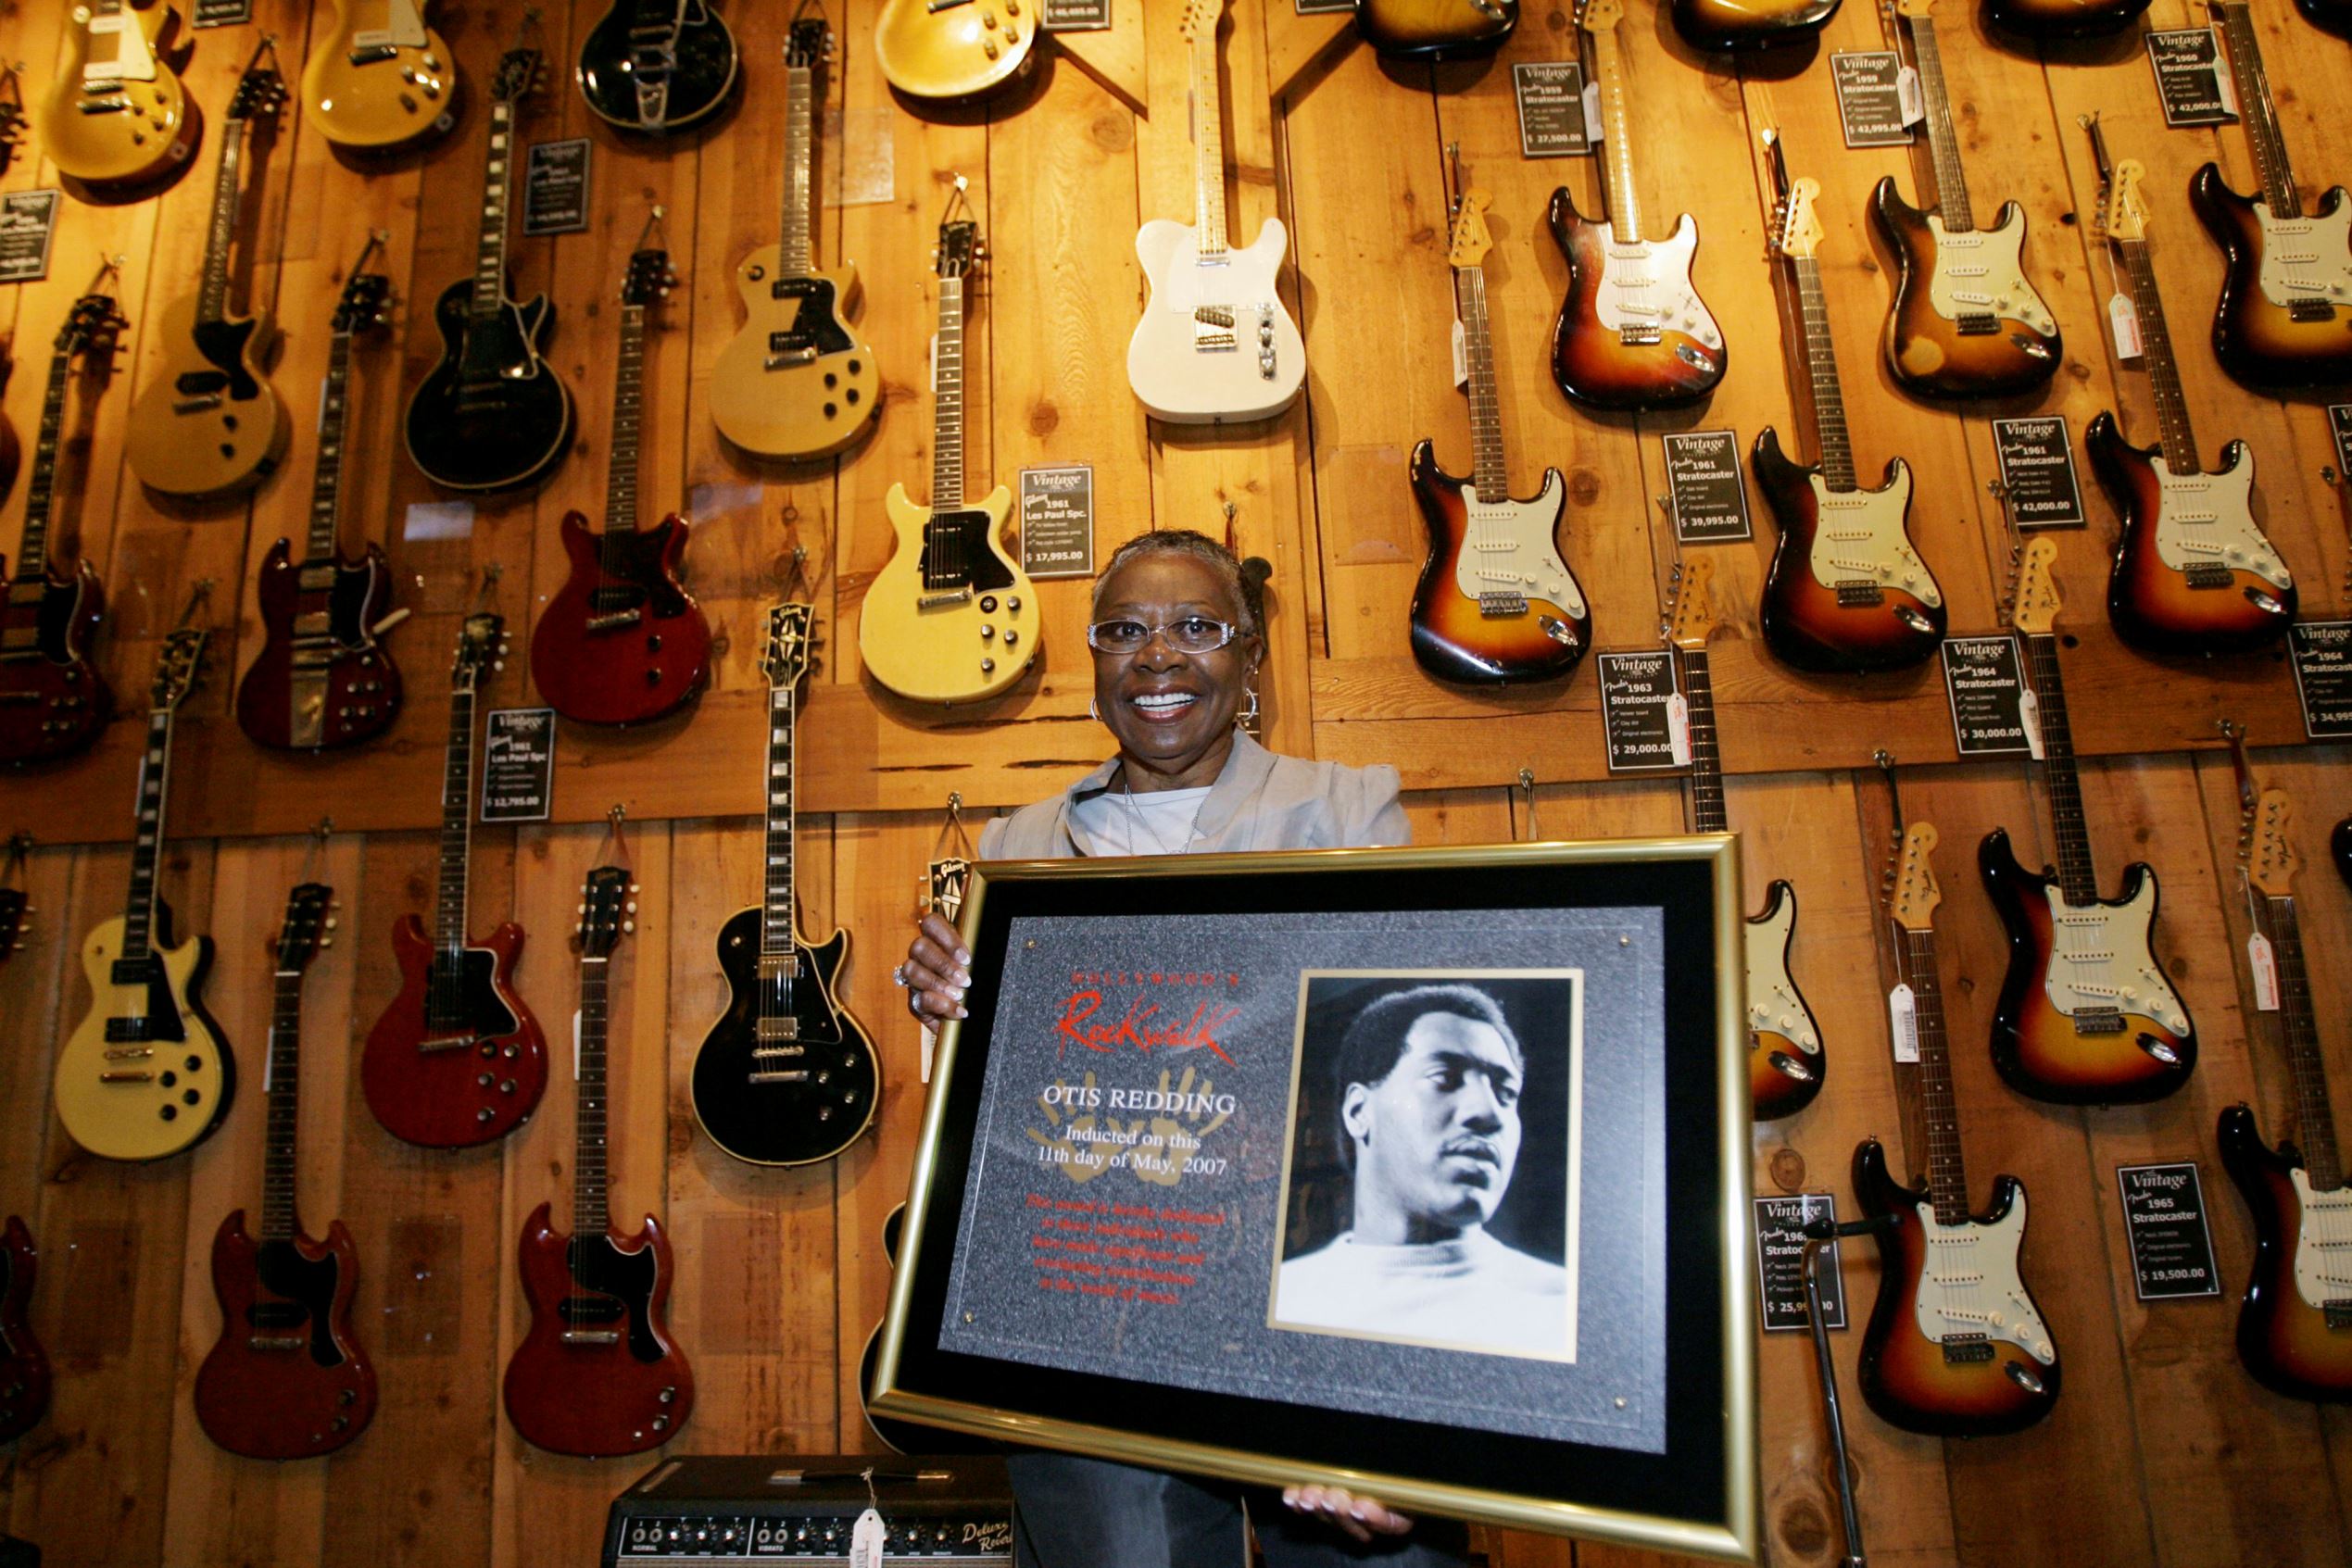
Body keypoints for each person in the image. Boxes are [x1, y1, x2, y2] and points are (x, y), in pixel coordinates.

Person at [898, 530, 1464, 1568]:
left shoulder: (1347, 805)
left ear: (1249, 657)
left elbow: (1390, 1051)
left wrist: (1396, 1389)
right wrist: (948, 1004)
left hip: (1308, 1299)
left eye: (1197, 628)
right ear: (1094, 663)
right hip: (1097, 1306)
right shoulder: (1014, 849)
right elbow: (1009, 1115)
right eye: (1125, 632)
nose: (1158, 656)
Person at [1274, 985, 1569, 1358]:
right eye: (1444, 1077)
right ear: (1358, 1112)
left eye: (1505, 1092)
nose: (1489, 1113)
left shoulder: (1560, 1311)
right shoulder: (1286, 1295)